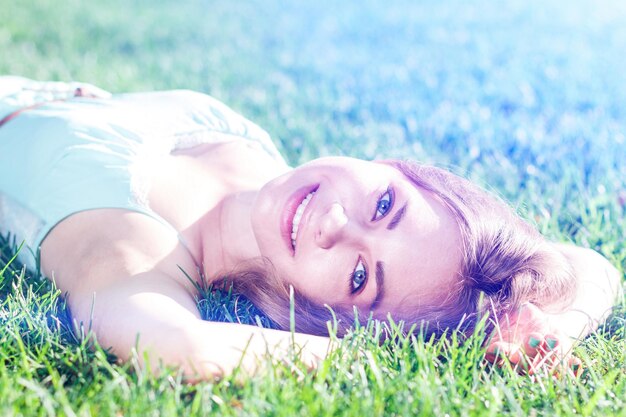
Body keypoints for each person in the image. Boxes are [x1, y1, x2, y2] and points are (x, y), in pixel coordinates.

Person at [0, 77, 621, 380]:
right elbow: (591, 266)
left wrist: (419, 363)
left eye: (358, 275)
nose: (334, 224)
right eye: (385, 206)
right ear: (392, 167)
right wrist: (548, 325)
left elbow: (177, 345)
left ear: (324, 314)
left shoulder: (131, 246)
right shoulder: (274, 173)